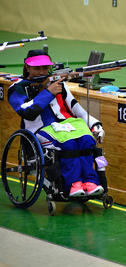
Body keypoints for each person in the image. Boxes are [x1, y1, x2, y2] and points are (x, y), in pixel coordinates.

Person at [8, 49, 105, 198]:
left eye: (45, 68)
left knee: (87, 139)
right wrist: (48, 93)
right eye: (37, 68)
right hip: (40, 130)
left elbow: (77, 109)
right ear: (27, 67)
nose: (42, 71)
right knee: (68, 144)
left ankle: (90, 183)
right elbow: (26, 111)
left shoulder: (58, 83)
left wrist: (95, 124)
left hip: (67, 126)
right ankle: (73, 184)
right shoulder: (17, 88)